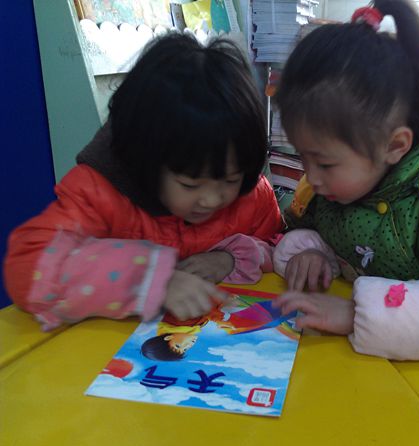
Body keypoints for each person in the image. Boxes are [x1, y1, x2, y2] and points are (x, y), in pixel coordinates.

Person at [271, 0, 419, 360]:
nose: (311, 178)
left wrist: (357, 315)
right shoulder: (330, 184)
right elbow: (305, 227)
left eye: (324, 163)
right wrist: (314, 252)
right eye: (303, 157)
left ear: (395, 146)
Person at [4, 33, 283, 331]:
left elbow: (276, 247)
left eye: (230, 179)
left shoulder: (252, 194)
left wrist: (229, 259)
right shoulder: (100, 192)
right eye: (190, 184)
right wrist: (148, 279)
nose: (213, 199)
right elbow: (27, 267)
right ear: (147, 160)